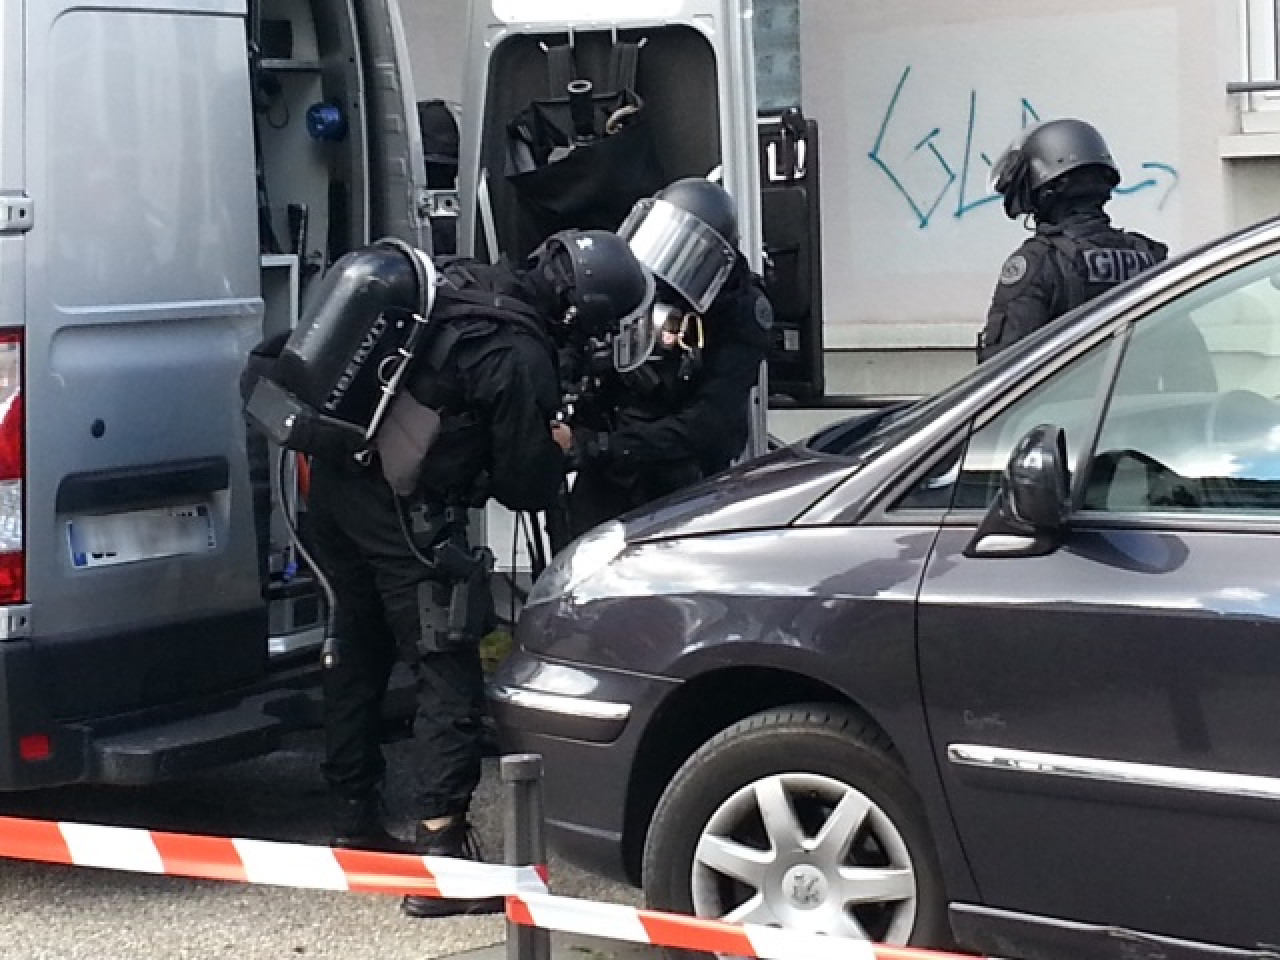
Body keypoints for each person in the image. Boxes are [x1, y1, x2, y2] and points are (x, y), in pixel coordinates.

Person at [258, 230, 652, 920]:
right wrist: (560, 447)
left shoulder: (463, 281)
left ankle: (353, 818)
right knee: (447, 660)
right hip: (404, 513)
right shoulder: (518, 353)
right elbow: (528, 485)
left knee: (357, 642)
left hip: (336, 488)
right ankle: (441, 856)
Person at [550, 178, 772, 544]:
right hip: (614, 452)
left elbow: (708, 424)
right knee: (579, 553)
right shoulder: (645, 280)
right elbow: (586, 334)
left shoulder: (740, 313)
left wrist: (594, 445)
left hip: (682, 471)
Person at [977, 118, 1168, 362]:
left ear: (1043, 189)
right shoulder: (1149, 257)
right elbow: (1191, 360)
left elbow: (1003, 367)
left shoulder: (1039, 263)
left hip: (1071, 389)